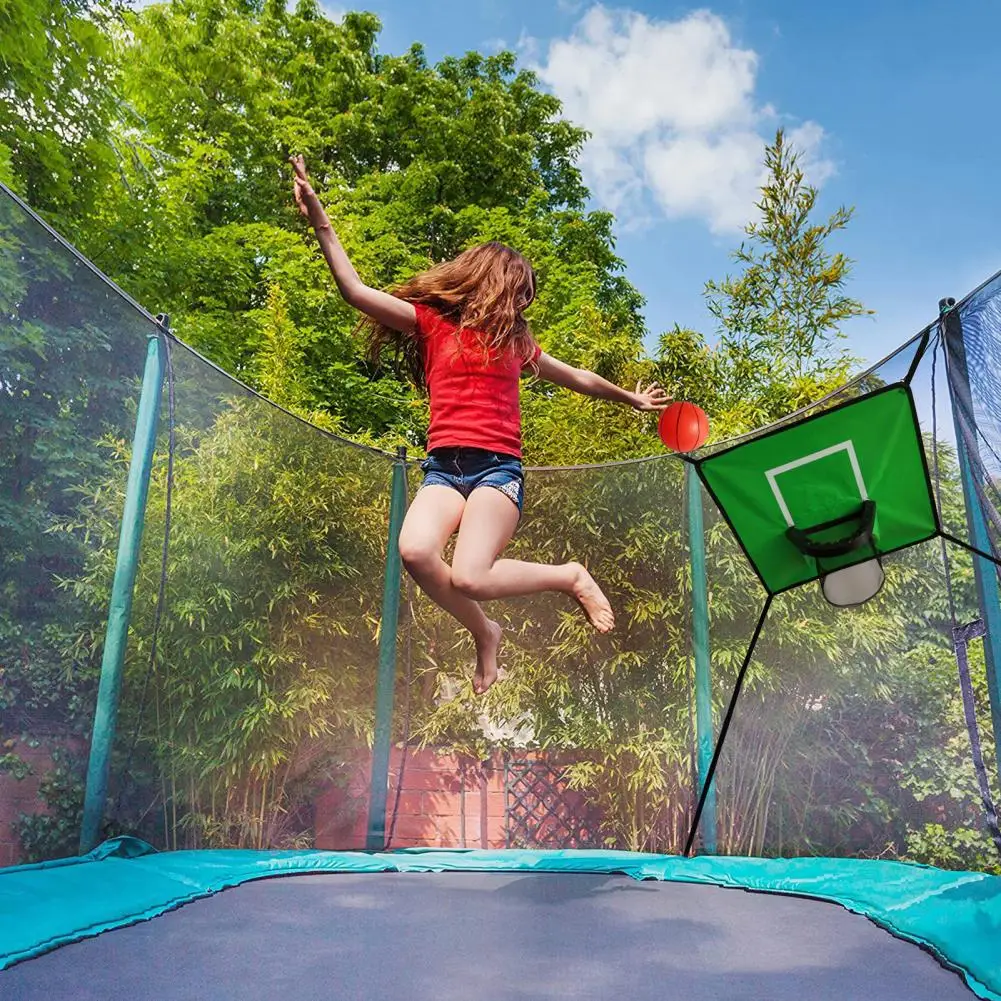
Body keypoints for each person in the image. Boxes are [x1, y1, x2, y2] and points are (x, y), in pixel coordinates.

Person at [291, 155, 668, 693]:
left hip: (497, 470)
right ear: (492, 282)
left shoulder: (517, 344)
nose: (522, 304)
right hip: (443, 469)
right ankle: (485, 632)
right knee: (416, 552)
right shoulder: (431, 324)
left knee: (471, 573)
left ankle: (570, 576)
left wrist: (628, 398)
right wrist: (321, 222)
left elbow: (578, 376)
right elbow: (355, 290)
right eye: (519, 293)